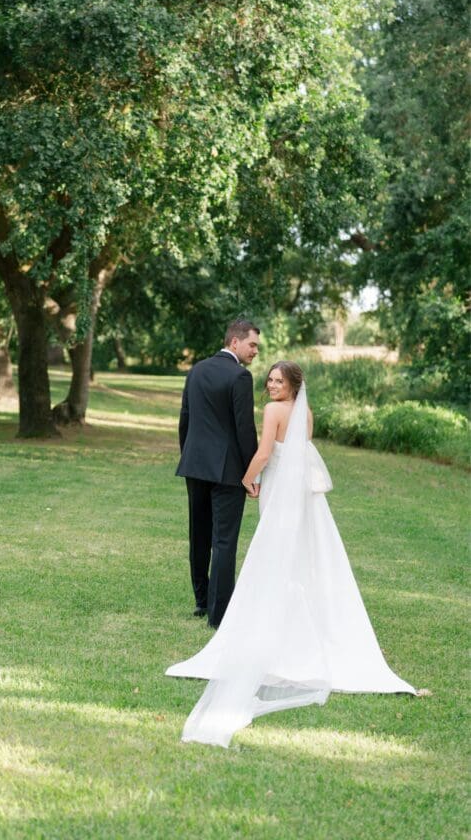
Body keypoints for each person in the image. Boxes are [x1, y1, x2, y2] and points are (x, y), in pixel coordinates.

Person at [167, 360, 416, 748]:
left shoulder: (271, 412)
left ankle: (274, 628)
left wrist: (246, 479)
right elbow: (300, 451)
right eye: (268, 380)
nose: (270, 386)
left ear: (293, 385)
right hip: (301, 494)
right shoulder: (306, 413)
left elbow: (265, 453)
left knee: (274, 554)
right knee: (304, 555)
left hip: (279, 492)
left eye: (278, 381)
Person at [176, 318, 260, 628]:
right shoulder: (240, 376)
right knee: (224, 540)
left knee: (199, 535)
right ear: (234, 342)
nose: (255, 351)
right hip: (227, 471)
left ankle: (201, 601)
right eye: (252, 344)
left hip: (195, 466)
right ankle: (219, 613)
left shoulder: (196, 370)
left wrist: (189, 455)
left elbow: (185, 418)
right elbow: (244, 429)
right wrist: (252, 474)